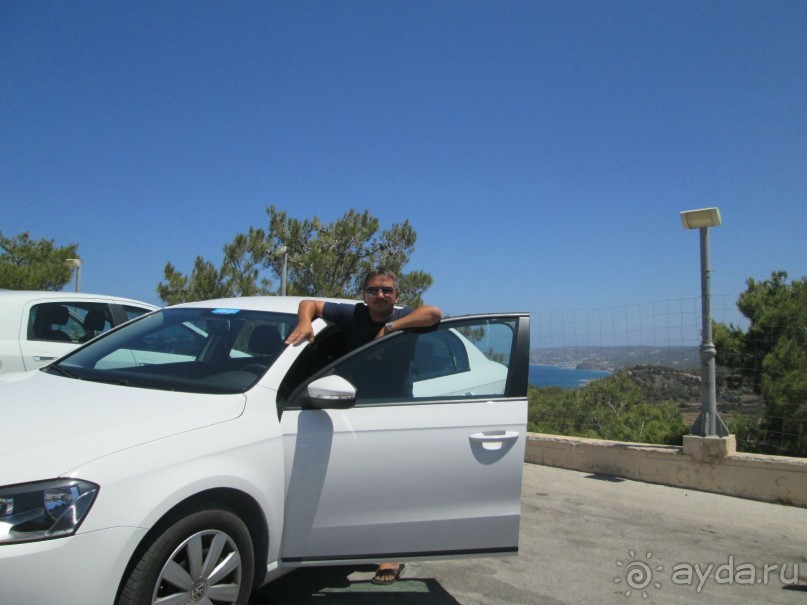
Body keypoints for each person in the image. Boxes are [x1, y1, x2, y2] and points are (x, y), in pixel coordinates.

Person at [284, 267, 442, 585]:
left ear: (396, 295)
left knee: (391, 486)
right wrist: (305, 322)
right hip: (349, 409)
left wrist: (391, 328)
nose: (380, 295)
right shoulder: (352, 315)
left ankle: (390, 555)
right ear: (364, 295)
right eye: (373, 290)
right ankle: (349, 540)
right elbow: (308, 304)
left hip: (392, 414)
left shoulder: (405, 316)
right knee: (356, 482)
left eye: (387, 290)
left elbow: (434, 314)